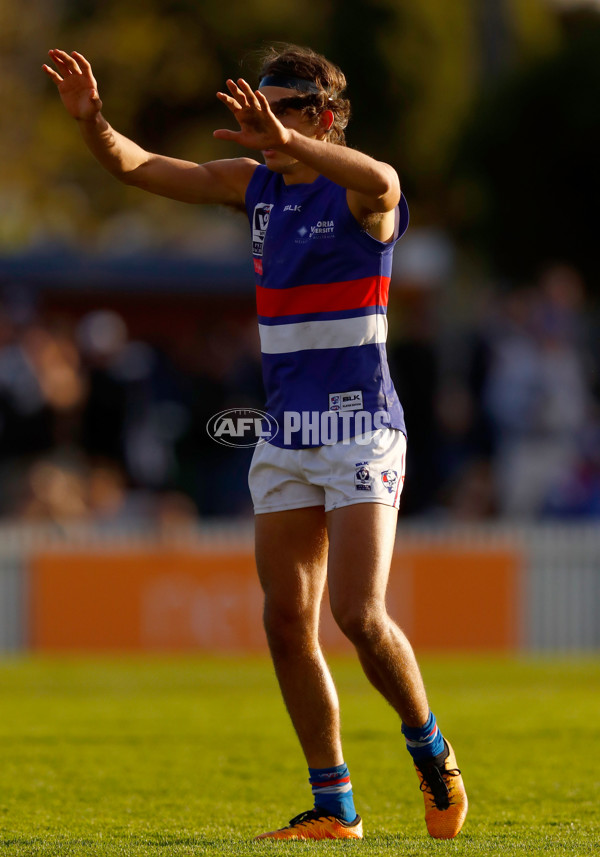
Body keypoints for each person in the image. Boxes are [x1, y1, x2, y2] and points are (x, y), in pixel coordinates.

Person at [43, 43, 468, 841]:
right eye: (257, 103)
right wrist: (95, 122)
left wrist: (293, 141)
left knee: (359, 613)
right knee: (285, 621)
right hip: (285, 431)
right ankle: (334, 804)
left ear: (325, 117)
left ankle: (430, 746)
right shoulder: (255, 185)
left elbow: (385, 181)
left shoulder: (358, 194)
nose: (260, 117)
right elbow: (138, 168)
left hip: (360, 425)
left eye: (282, 105)